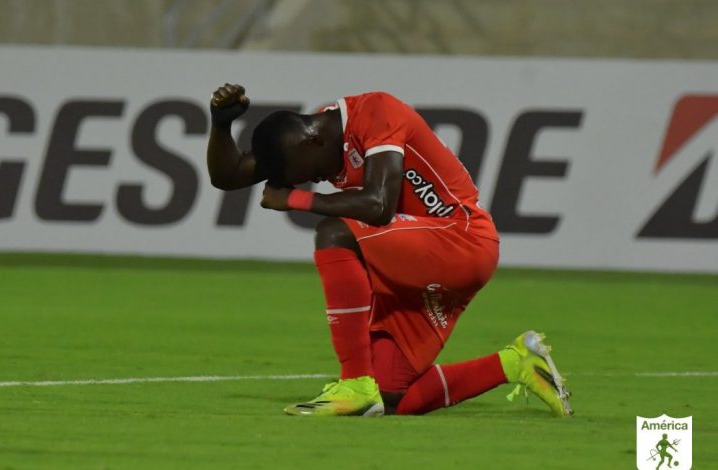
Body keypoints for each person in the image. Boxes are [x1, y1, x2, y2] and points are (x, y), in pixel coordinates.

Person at [206, 83, 572, 417]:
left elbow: (378, 205)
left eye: (305, 173)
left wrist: (297, 199)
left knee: (334, 232)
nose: (311, 179)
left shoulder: (376, 113)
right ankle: (516, 362)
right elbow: (229, 175)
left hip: (462, 240)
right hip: (416, 260)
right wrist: (221, 125)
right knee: (393, 397)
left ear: (312, 141)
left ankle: (353, 382)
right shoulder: (310, 146)